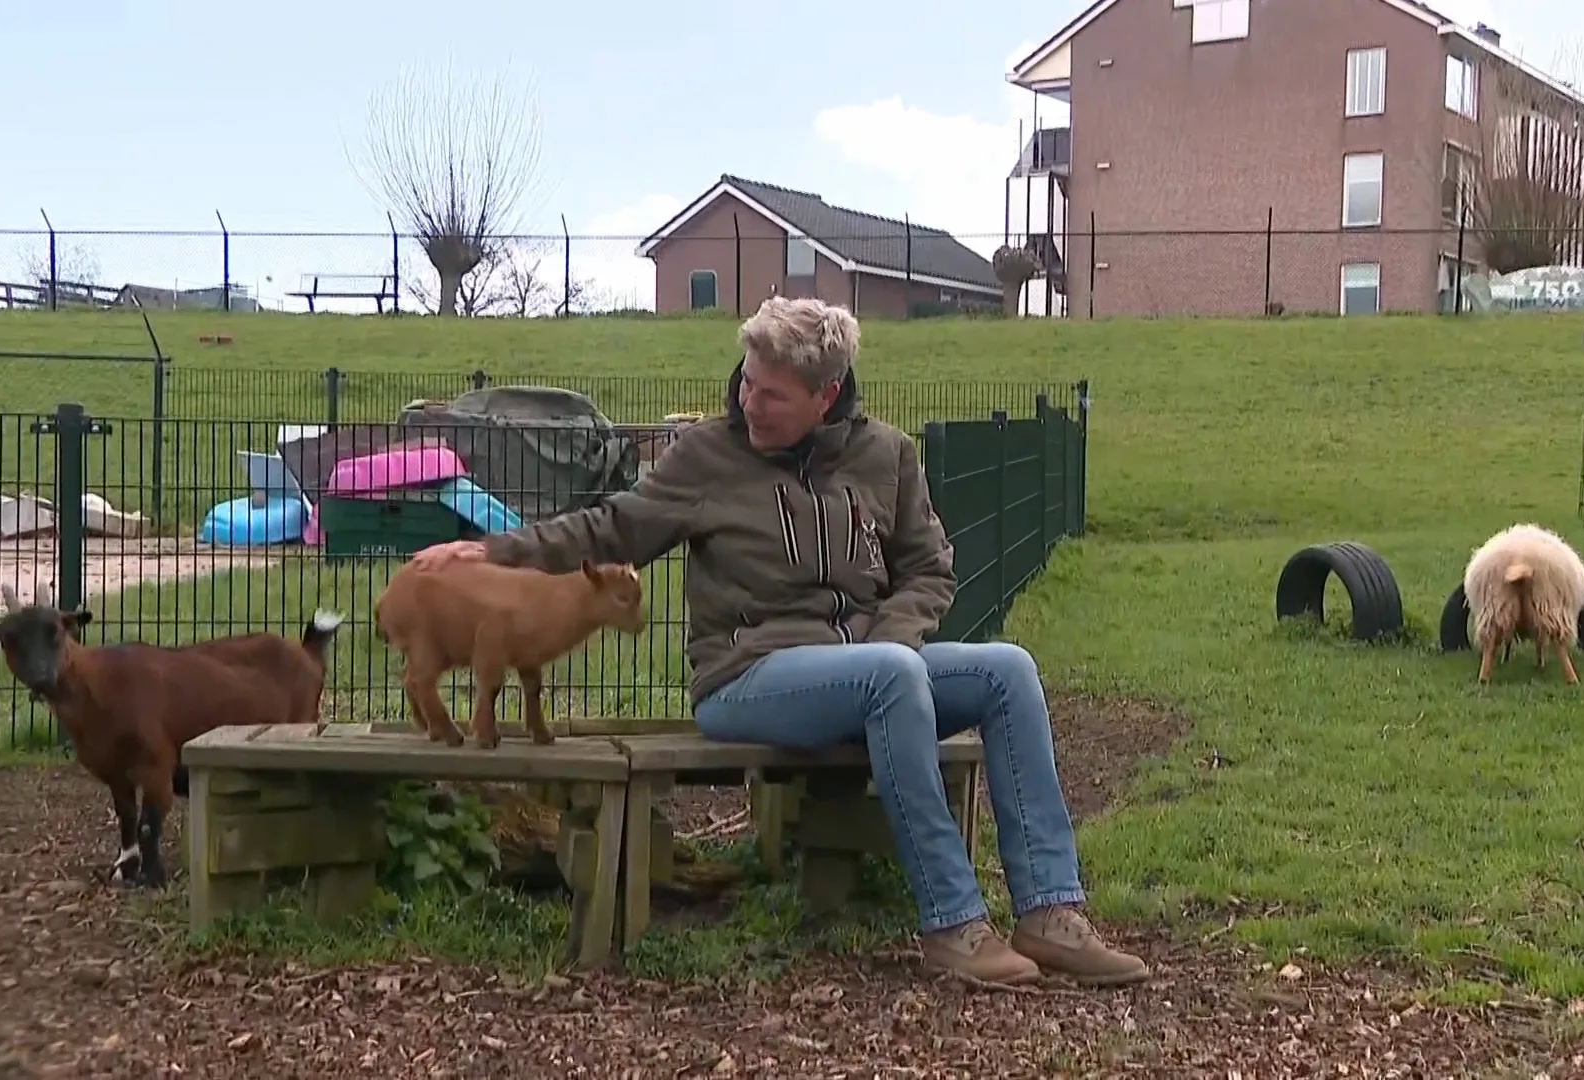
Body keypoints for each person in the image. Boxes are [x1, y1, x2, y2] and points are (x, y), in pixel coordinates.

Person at [408, 296, 1148, 988]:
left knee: (1008, 671)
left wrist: (889, 637)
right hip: (747, 675)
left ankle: (1050, 911)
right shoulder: (708, 456)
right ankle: (953, 922)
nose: (749, 403)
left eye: (772, 395)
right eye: (747, 383)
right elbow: (612, 528)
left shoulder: (885, 455)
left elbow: (928, 569)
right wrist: (494, 550)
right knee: (893, 676)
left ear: (827, 396)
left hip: (870, 664)